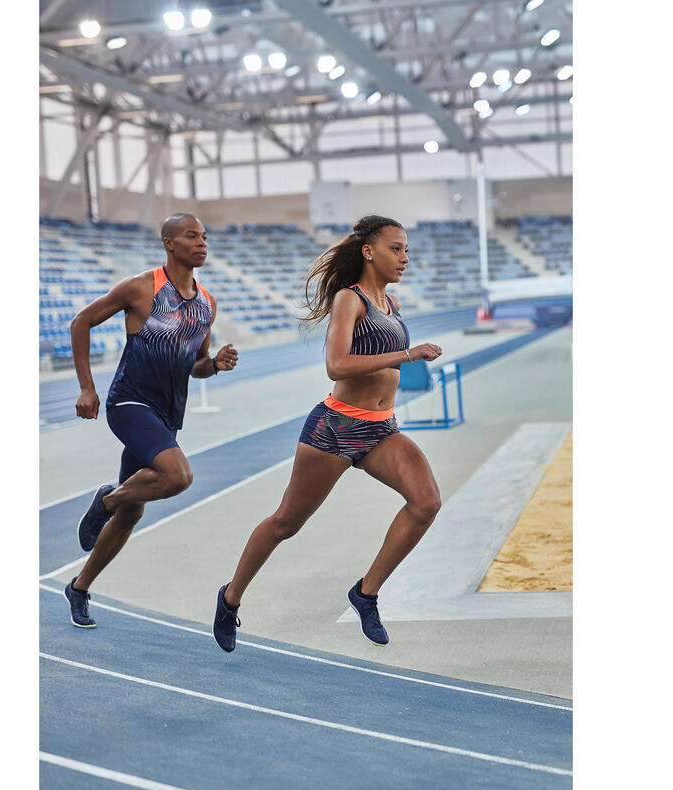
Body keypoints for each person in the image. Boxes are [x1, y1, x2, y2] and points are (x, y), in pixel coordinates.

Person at [213, 215, 442, 651]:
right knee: (285, 523)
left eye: (406, 249)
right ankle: (230, 597)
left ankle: (366, 593)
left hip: (381, 429)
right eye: (396, 248)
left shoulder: (390, 304)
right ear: (369, 251)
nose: (405, 258)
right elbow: (336, 366)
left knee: (426, 502)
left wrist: (403, 357)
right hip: (336, 428)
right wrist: (409, 353)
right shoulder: (349, 299)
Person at [64, 213, 239, 628]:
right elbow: (81, 322)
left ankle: (79, 587)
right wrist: (87, 388)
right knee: (178, 477)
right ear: (169, 243)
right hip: (129, 403)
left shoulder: (206, 303)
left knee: (132, 513)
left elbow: (195, 366)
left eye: (205, 236)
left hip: (166, 414)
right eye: (192, 236)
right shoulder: (143, 287)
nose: (202, 242)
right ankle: (106, 499)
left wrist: (215, 364)